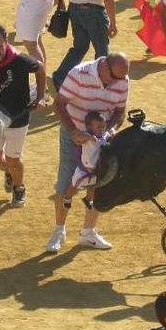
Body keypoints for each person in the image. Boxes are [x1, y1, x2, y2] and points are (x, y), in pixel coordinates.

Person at [47, 53, 130, 253]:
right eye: (115, 77)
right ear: (104, 67)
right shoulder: (78, 74)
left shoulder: (122, 80)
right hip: (72, 134)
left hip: (101, 141)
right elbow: (58, 104)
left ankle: (88, 232)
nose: (119, 82)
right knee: (65, 182)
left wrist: (108, 129)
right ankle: (59, 231)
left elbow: (120, 111)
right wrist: (73, 131)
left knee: (97, 184)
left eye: (122, 78)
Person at [0, 24, 46, 206]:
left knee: (14, 160)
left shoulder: (20, 60)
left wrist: (40, 97)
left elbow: (40, 69)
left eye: (0, 46)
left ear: (6, 42)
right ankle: (11, 172)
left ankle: (19, 187)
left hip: (18, 117)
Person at [63, 111, 113, 209]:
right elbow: (79, 137)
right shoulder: (86, 137)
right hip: (83, 170)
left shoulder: (104, 136)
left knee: (93, 187)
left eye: (103, 126)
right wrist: (90, 137)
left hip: (97, 169)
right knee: (74, 186)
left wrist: (112, 134)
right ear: (89, 127)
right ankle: (67, 198)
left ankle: (88, 199)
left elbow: (109, 134)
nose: (102, 129)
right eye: (98, 127)